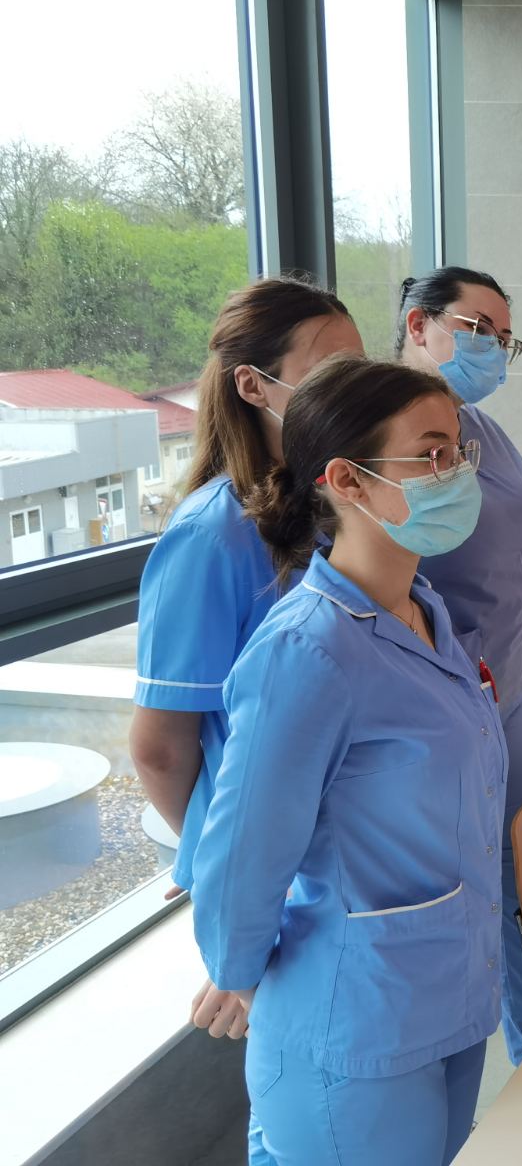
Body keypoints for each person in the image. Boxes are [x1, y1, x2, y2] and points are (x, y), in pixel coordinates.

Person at [192, 357, 506, 1166]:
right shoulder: (307, 652)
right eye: (431, 454)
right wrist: (240, 971)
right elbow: (242, 858)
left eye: (458, 452)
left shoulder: (424, 611)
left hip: (451, 999)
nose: (456, 473)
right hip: (355, 1036)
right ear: (347, 481)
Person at [129, 276, 362, 1048]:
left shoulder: (333, 504)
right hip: (280, 878)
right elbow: (162, 747)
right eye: (328, 370)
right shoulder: (214, 535)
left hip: (338, 857)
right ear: (253, 386)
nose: (349, 388)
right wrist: (225, 869)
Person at [395, 266, 522, 1064]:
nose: (493, 347)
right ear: (418, 325)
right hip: (443, 704)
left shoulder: (482, 429)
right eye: (477, 328)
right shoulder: (389, 440)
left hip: (510, 687)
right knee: (480, 894)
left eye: (505, 338)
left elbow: (509, 570)